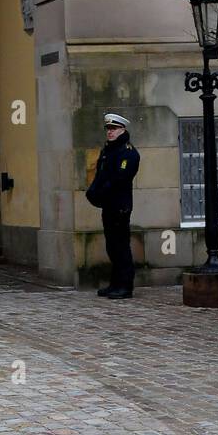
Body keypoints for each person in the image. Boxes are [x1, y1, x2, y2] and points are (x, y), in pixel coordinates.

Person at [86, 112, 140, 300]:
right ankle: (115, 283)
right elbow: (100, 175)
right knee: (112, 246)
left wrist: (101, 192)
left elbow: (120, 178)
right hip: (109, 205)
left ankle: (125, 285)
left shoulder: (127, 152)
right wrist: (93, 191)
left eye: (114, 129)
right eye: (108, 129)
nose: (110, 132)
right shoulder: (109, 150)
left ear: (122, 130)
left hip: (120, 205)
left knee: (120, 246)